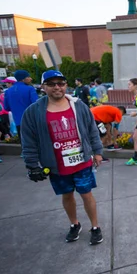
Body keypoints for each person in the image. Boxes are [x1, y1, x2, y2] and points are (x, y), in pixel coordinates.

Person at [21, 70, 104, 245]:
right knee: (67, 195)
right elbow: (28, 140)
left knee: (86, 194)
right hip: (56, 164)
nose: (57, 87)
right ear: (43, 87)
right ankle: (75, 224)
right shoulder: (33, 112)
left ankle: (95, 227)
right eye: (51, 84)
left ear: (66, 85)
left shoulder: (78, 106)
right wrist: (32, 165)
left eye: (61, 83)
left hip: (81, 161)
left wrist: (97, 152)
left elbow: (92, 130)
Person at [3, 70, 38, 137]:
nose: (31, 79)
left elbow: (6, 107)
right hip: (32, 121)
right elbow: (36, 105)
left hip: (18, 122)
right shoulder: (30, 89)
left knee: (24, 144)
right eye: (28, 77)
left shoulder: (8, 91)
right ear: (23, 79)